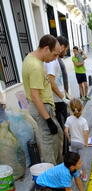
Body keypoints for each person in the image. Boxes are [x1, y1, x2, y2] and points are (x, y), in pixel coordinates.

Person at [22, 34, 63, 165]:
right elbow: (35, 96)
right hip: (42, 109)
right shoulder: (36, 67)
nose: (54, 58)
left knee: (57, 137)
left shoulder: (31, 58)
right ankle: (52, 175)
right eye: (54, 54)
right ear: (46, 49)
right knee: (49, 143)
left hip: (44, 108)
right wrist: (48, 119)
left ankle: (56, 169)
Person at [46, 36, 70, 131]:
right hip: (57, 100)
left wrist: (66, 94)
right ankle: (65, 144)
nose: (66, 52)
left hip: (60, 98)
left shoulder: (56, 59)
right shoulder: (52, 61)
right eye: (66, 49)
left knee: (65, 124)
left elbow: (59, 80)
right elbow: (51, 81)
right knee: (63, 126)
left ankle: (66, 143)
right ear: (62, 47)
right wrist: (63, 98)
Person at [64, 98, 89, 182]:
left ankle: (76, 174)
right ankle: (84, 175)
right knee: (82, 159)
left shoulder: (68, 119)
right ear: (81, 108)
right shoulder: (83, 121)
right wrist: (86, 142)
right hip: (81, 143)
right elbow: (85, 133)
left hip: (73, 143)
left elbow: (66, 130)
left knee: (74, 159)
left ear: (70, 109)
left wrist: (69, 139)